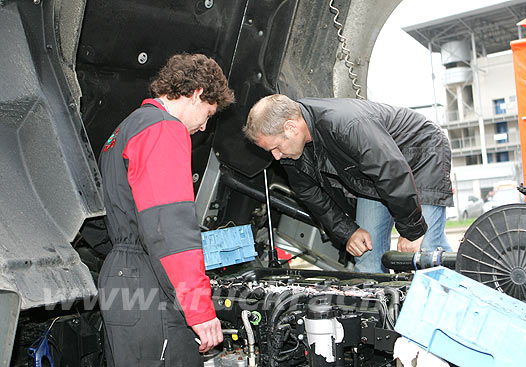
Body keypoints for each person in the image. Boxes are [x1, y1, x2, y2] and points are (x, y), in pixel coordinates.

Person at [99, 53, 234, 366]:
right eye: (209, 114)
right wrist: (199, 309)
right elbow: (169, 227)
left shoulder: (125, 128)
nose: (203, 127)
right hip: (147, 281)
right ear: (197, 93)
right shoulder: (163, 128)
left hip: (120, 277)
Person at [243, 94, 453, 273]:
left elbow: (391, 170)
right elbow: (309, 193)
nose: (276, 157)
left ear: (290, 127)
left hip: (420, 156)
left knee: (426, 253)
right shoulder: (290, 150)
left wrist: (412, 231)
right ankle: (383, 319)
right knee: (367, 260)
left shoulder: (345, 124)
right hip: (376, 178)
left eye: (277, 147)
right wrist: (348, 231)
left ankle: (476, 298)